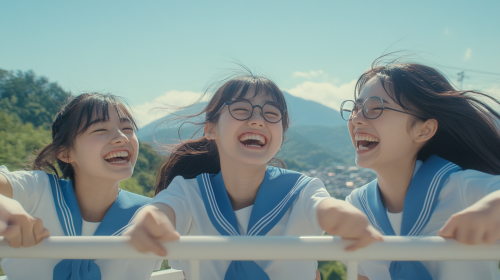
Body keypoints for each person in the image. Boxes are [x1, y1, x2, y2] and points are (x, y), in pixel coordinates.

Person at [124, 73, 383, 280]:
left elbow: (324, 207)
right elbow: (165, 209)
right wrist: (151, 218)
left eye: (271, 114)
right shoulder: (190, 192)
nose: (258, 120)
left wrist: (343, 218)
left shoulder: (300, 189)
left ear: (282, 136)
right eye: (241, 109)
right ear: (210, 128)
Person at [341, 58, 500, 280]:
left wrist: (492, 208)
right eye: (356, 108)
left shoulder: (463, 189)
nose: (356, 119)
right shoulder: (357, 207)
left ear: (424, 130)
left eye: (375, 108)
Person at [0, 93, 161, 280]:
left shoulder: (151, 215)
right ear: (65, 152)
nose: (122, 138)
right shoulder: (37, 190)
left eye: (127, 128)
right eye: (100, 129)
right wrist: (6, 206)